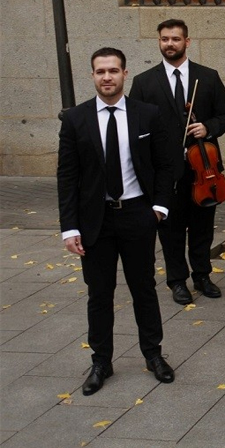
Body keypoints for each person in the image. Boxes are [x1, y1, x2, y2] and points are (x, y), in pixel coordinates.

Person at [58, 47, 176, 395]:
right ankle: (100, 362)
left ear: (125, 74)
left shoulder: (147, 114)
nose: (106, 77)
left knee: (144, 289)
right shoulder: (75, 119)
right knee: (99, 294)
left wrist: (160, 208)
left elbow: (166, 165)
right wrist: (70, 227)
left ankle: (153, 355)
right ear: (92, 76)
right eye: (100, 72)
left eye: (113, 71)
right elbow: (67, 177)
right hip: (96, 222)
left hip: (138, 215)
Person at [129, 19, 225, 306]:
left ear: (187, 42)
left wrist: (208, 128)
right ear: (159, 42)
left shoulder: (208, 77)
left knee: (203, 226)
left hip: (204, 168)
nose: (170, 44)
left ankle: (202, 275)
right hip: (165, 171)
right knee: (170, 229)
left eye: (175, 39)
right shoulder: (144, 82)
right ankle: (177, 280)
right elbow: (135, 126)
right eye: (164, 39)